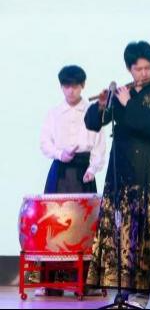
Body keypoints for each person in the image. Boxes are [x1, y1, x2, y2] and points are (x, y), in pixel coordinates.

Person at [84, 41, 150, 309]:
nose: (144, 73)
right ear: (129, 69)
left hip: (147, 168)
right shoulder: (120, 93)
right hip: (121, 168)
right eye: (138, 69)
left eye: (148, 68)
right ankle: (122, 289)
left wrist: (128, 103)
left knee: (143, 228)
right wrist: (102, 105)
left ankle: (141, 293)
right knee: (120, 229)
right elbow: (93, 123)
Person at [36, 65, 106, 296]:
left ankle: (86, 283)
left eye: (75, 86)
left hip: (83, 171)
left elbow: (99, 144)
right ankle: (52, 283)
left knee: (85, 226)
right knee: (54, 224)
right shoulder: (54, 113)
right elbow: (44, 142)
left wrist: (93, 168)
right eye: (66, 86)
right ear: (61, 87)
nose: (71, 90)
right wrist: (59, 153)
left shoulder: (92, 111)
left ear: (82, 86)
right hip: (61, 169)